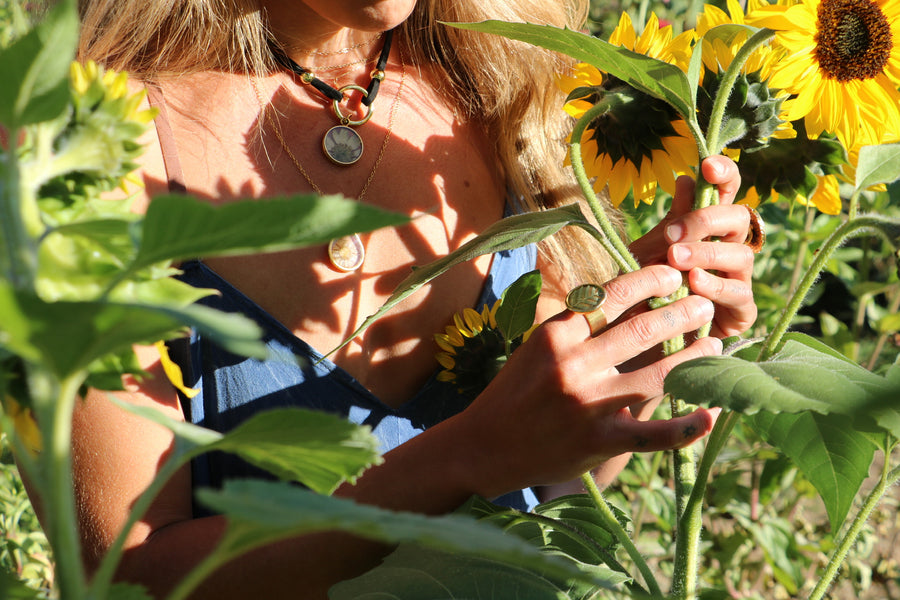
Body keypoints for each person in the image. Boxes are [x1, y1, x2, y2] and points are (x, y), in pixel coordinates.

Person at [68, 0, 758, 598]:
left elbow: (555, 490)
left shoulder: (504, 73)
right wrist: (469, 455)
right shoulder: (89, 146)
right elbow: (128, 581)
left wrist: (642, 333)